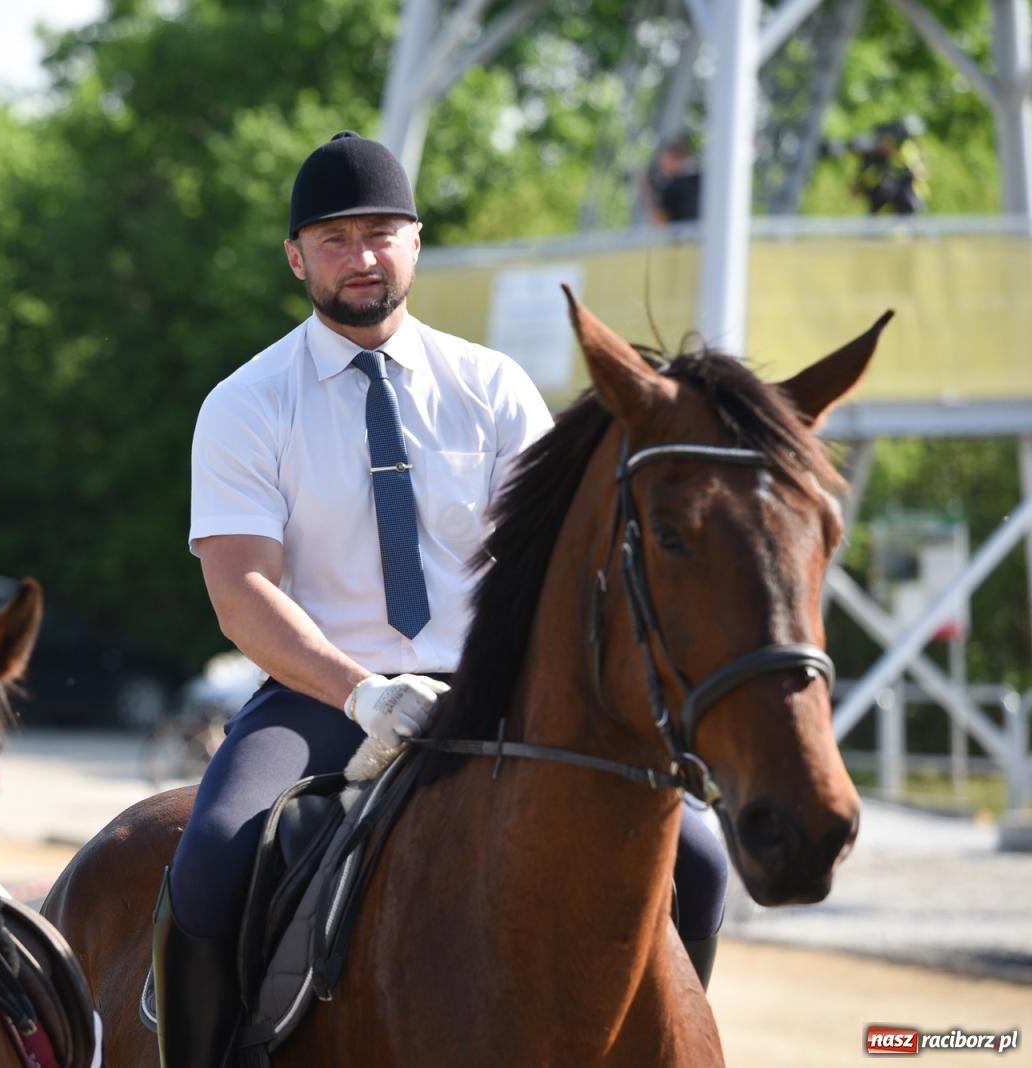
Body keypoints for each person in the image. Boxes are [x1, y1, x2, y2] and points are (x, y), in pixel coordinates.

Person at [152, 132, 731, 1067]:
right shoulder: (246, 403)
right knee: (212, 859)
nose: (362, 256)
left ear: (416, 243)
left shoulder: (495, 387)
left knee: (699, 857)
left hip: (499, 696)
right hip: (321, 700)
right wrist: (361, 692)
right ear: (296, 257)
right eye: (334, 239)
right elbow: (242, 589)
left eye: (382, 232)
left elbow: (557, 569)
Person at [851, 120, 928, 215]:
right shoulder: (877, 157)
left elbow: (919, 171)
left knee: (903, 199)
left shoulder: (908, 149)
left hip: (910, 194)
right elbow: (867, 176)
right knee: (882, 193)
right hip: (891, 193)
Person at [645, 134, 702, 224]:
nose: (660, 167)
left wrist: (644, 188)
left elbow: (659, 222)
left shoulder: (675, 188)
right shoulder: (700, 179)